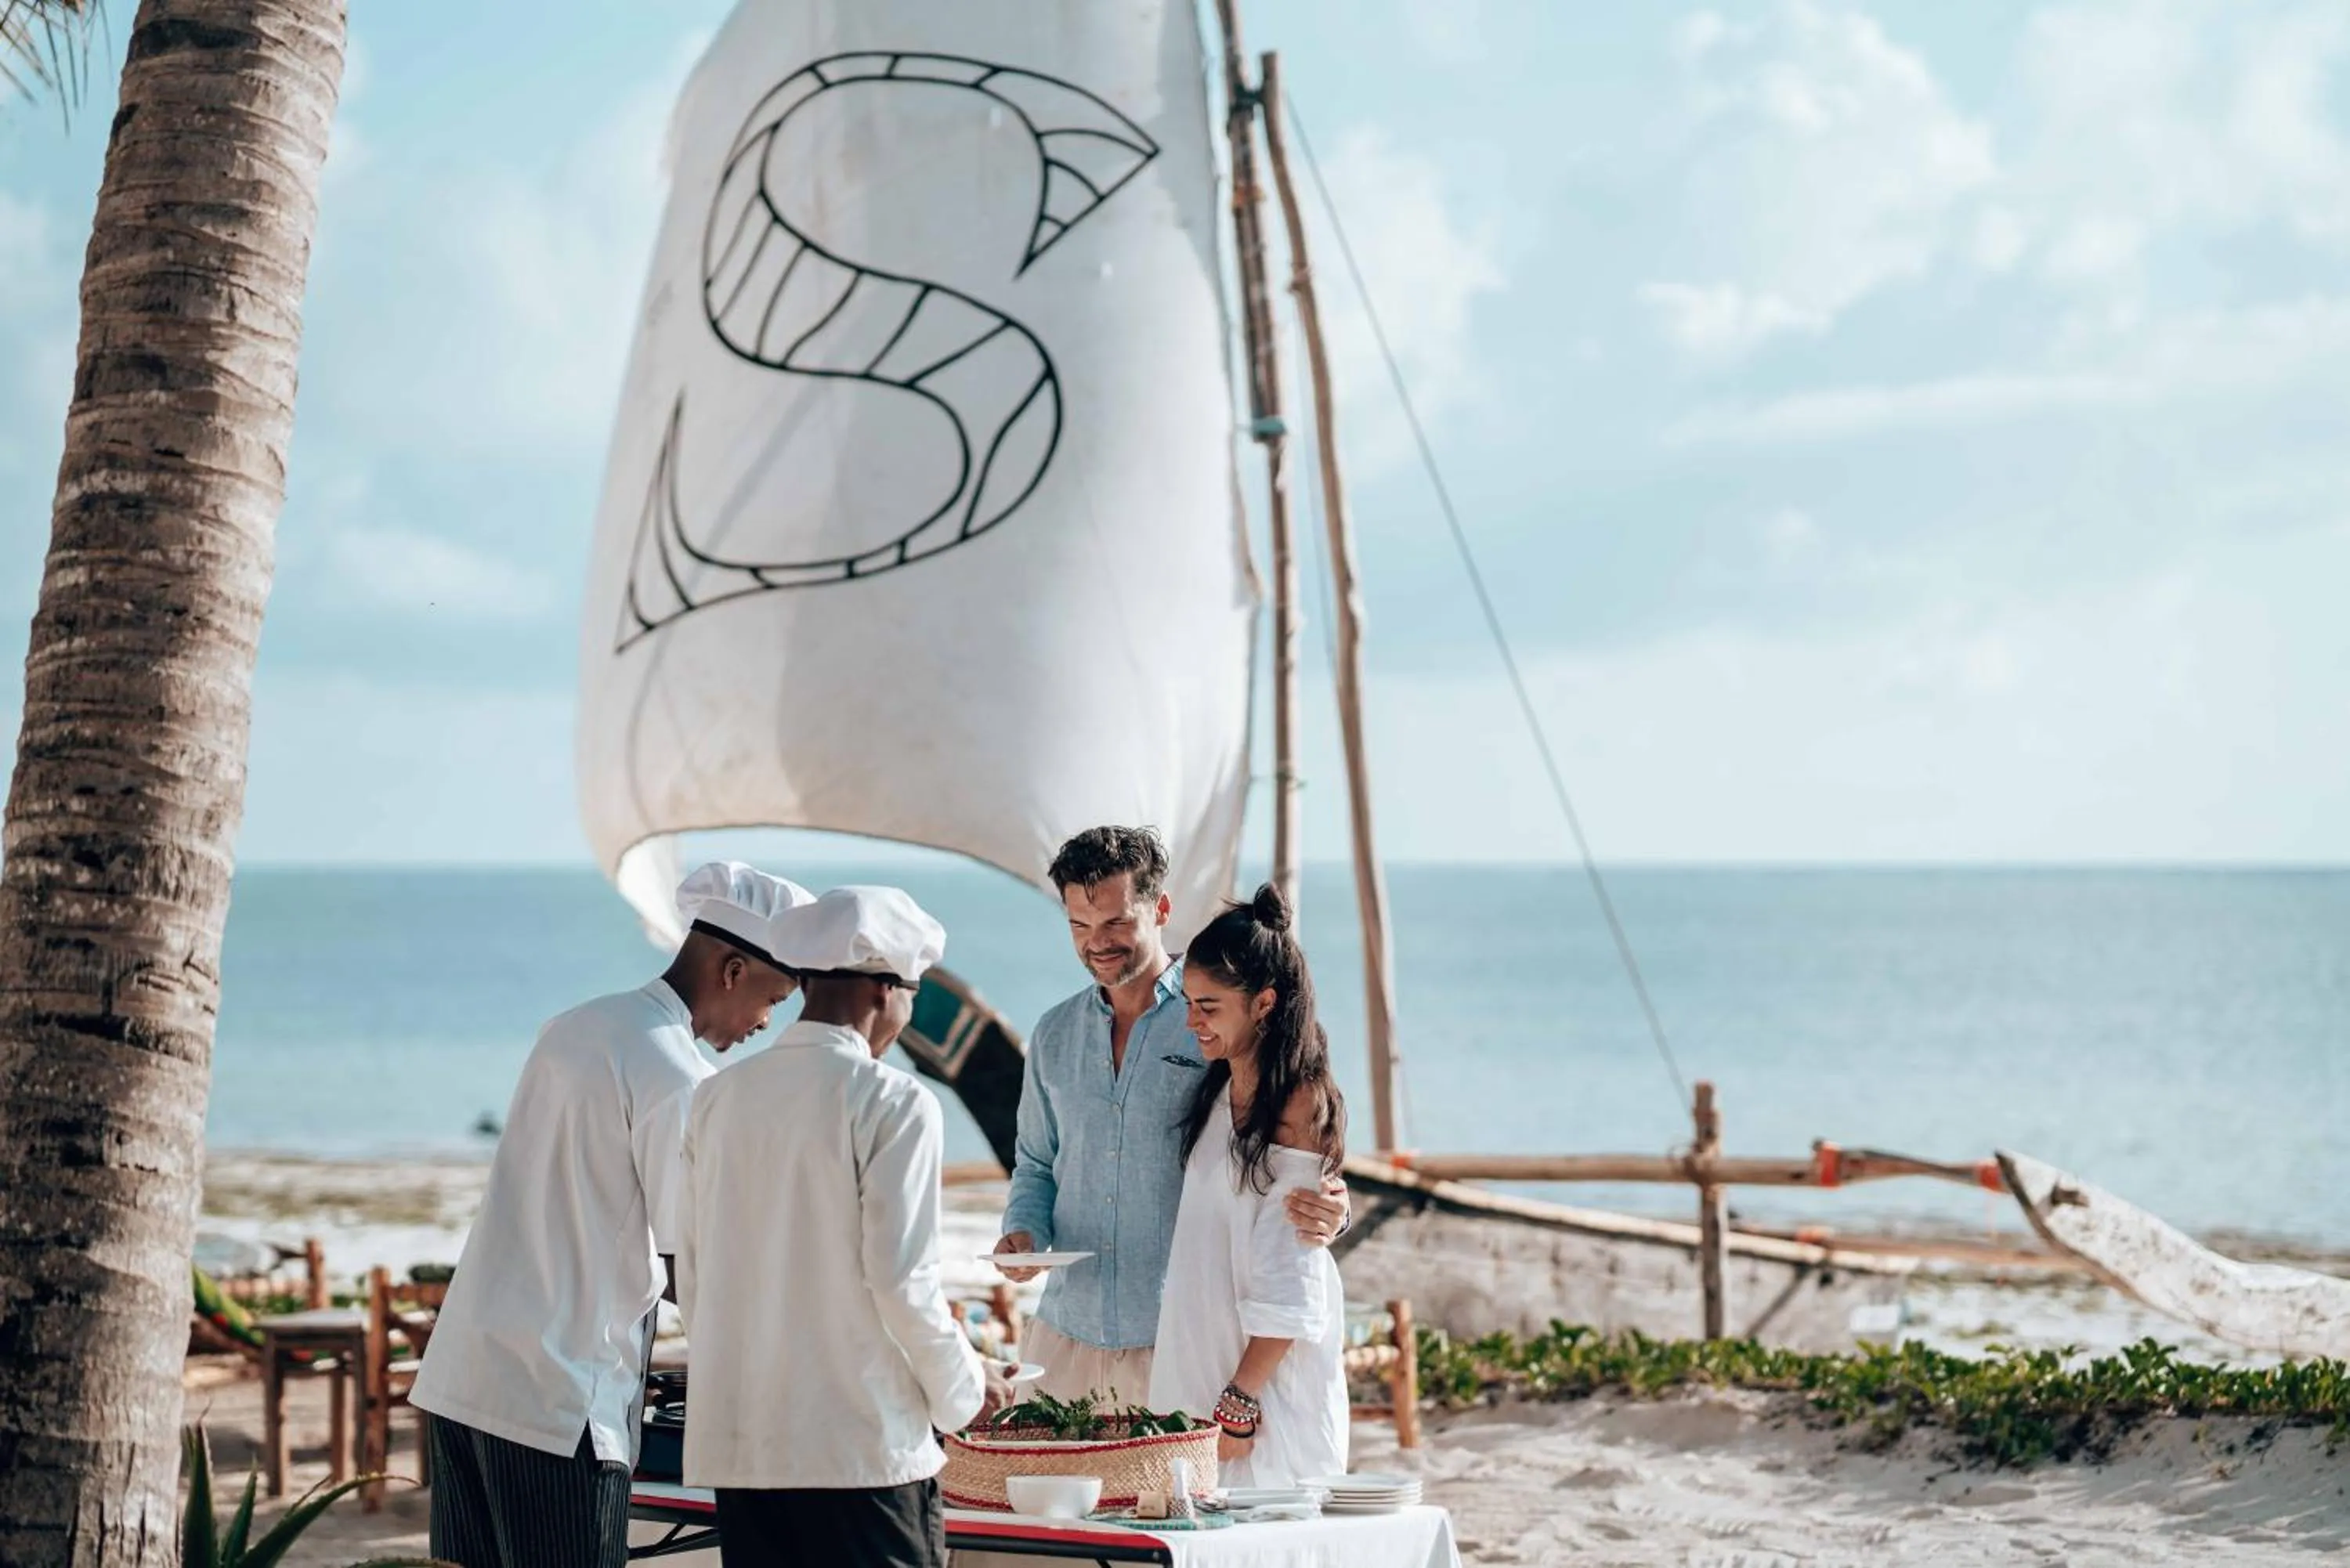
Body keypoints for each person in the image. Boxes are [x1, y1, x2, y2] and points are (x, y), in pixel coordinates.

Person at [410, 862, 811, 1568]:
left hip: (466, 1376)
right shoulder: (676, 1074)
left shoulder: (577, 1025)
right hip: (557, 1400)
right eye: (772, 1000)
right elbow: (692, 1263)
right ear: (732, 968)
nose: (764, 1025)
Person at [679, 884, 1014, 1568]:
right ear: (885, 991)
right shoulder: (895, 1102)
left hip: (745, 1454)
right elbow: (900, 1281)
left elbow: (695, 1271)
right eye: (912, 994)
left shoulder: (716, 1098)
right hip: (861, 1456)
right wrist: (965, 1392)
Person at [992, 826, 1348, 1403]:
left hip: (1181, 1339)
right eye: (1079, 926)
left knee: (1163, 1498)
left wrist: (1334, 1206)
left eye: (1115, 923)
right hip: (1064, 1333)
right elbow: (1035, 1163)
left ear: (1160, 909)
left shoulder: (1216, 1016)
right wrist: (1023, 1233)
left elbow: (1288, 1130)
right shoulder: (1054, 1034)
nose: (1096, 943)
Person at [1148, 884, 1349, 1488]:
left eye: (1208, 1007)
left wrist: (1238, 1405)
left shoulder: (1297, 1100)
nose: (1191, 1022)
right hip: (1200, 1370)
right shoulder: (1216, 1088)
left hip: (1260, 1398)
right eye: (1188, 1002)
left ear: (1263, 1003)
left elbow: (1291, 1275)